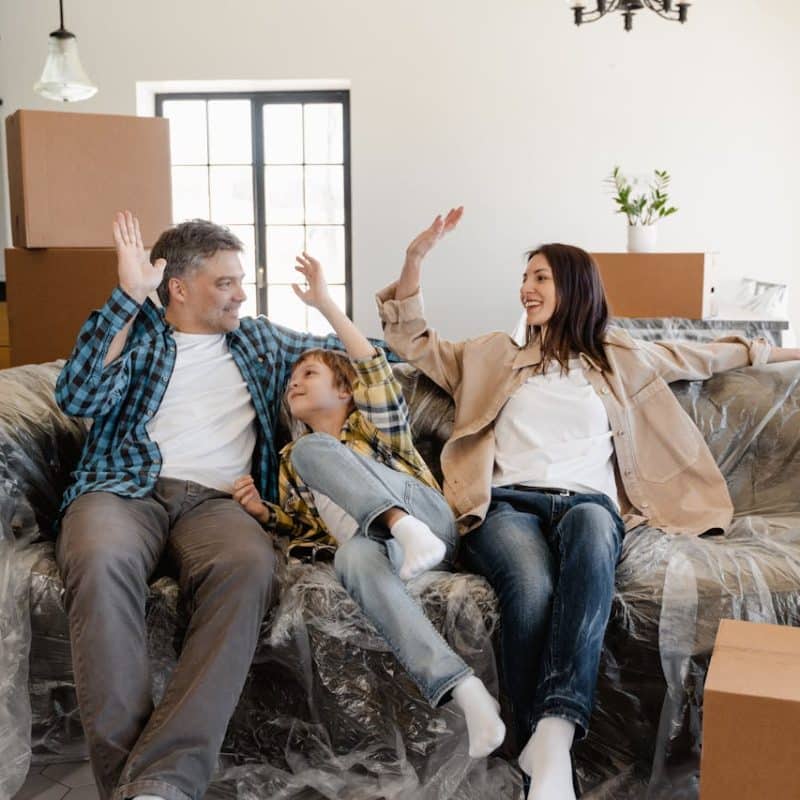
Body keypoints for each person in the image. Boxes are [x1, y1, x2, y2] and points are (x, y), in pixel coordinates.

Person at [376, 207, 800, 800]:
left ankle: (553, 733)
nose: (527, 288)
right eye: (525, 278)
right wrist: (416, 258)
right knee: (531, 588)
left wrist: (787, 353)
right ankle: (543, 763)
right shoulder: (491, 354)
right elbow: (409, 339)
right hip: (507, 506)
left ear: (574, 287)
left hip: (587, 505)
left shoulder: (620, 356)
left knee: (595, 541)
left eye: (541, 278)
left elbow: (714, 355)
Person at [55, 212, 387, 800]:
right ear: (178, 289)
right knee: (101, 562)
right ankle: (141, 789)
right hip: (123, 487)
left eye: (240, 280)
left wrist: (330, 305)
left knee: (250, 568)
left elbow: (370, 363)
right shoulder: (139, 332)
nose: (241, 293)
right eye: (226, 282)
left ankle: (159, 781)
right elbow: (78, 394)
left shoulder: (258, 339)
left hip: (221, 500)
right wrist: (127, 299)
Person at [232, 252, 507, 760]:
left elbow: (373, 367)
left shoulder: (375, 426)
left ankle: (403, 526)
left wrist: (325, 305)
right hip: (380, 550)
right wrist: (264, 512)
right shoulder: (294, 460)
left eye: (309, 373)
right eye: (292, 378)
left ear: (344, 391)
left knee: (319, 449)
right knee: (349, 557)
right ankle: (465, 692)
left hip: (428, 521)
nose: (294, 382)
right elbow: (303, 525)